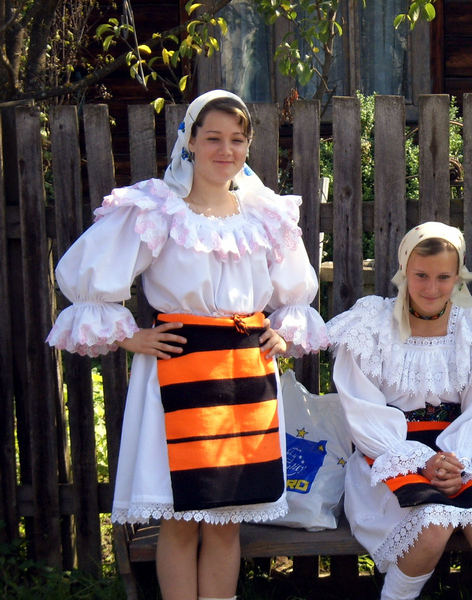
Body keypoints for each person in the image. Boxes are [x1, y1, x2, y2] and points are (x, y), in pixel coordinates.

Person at [46, 90, 328, 600]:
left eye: (237, 140)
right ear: (190, 141)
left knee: (225, 522)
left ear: (248, 146)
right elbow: (90, 275)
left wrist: (282, 333)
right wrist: (132, 336)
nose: (226, 150)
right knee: (179, 519)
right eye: (214, 137)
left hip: (246, 373)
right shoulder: (158, 209)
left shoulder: (266, 214)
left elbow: (294, 291)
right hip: (179, 368)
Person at [326, 222, 472, 600]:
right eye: (421, 275)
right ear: (405, 270)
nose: (431, 288)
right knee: (433, 522)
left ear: (458, 276)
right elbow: (361, 407)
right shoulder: (371, 325)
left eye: (443, 277)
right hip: (388, 455)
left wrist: (457, 461)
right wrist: (418, 462)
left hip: (459, 454)